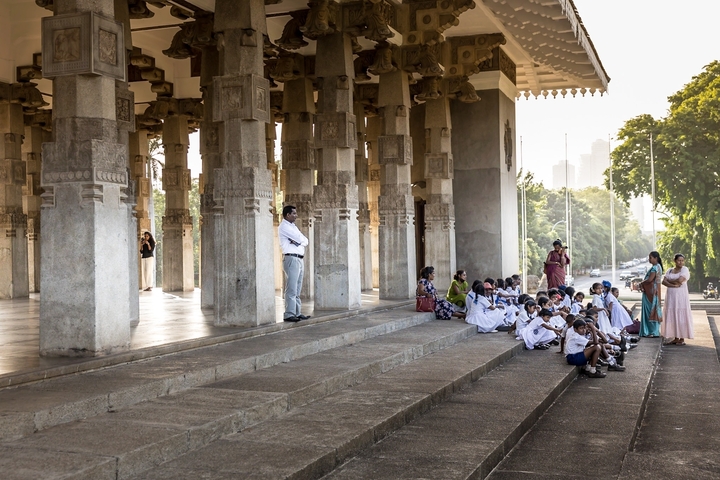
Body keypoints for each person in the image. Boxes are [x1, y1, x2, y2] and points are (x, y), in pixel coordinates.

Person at [279, 205, 310, 322]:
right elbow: (300, 239)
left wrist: (298, 241)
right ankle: (289, 313)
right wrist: (298, 240)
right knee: (291, 288)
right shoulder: (284, 227)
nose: (296, 216)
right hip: (291, 258)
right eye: (294, 214)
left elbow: (305, 241)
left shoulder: (293, 227)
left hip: (299, 258)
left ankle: (297, 312)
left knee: (297, 287)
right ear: (288, 215)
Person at [661, 253, 694, 345]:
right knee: (672, 315)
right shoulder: (670, 270)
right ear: (674, 261)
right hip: (671, 296)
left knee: (681, 315)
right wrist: (672, 285)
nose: (681, 262)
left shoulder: (685, 270)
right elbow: (663, 281)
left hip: (681, 296)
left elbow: (680, 281)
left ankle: (682, 338)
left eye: (682, 260)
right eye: (679, 260)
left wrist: (669, 281)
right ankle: (675, 337)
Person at [640, 251, 663, 337]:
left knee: (650, 311)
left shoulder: (655, 268)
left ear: (655, 258)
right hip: (655, 291)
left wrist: (641, 283)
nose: (649, 259)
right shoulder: (658, 267)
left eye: (651, 258)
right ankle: (653, 331)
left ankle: (651, 332)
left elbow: (650, 280)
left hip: (651, 292)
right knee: (653, 310)